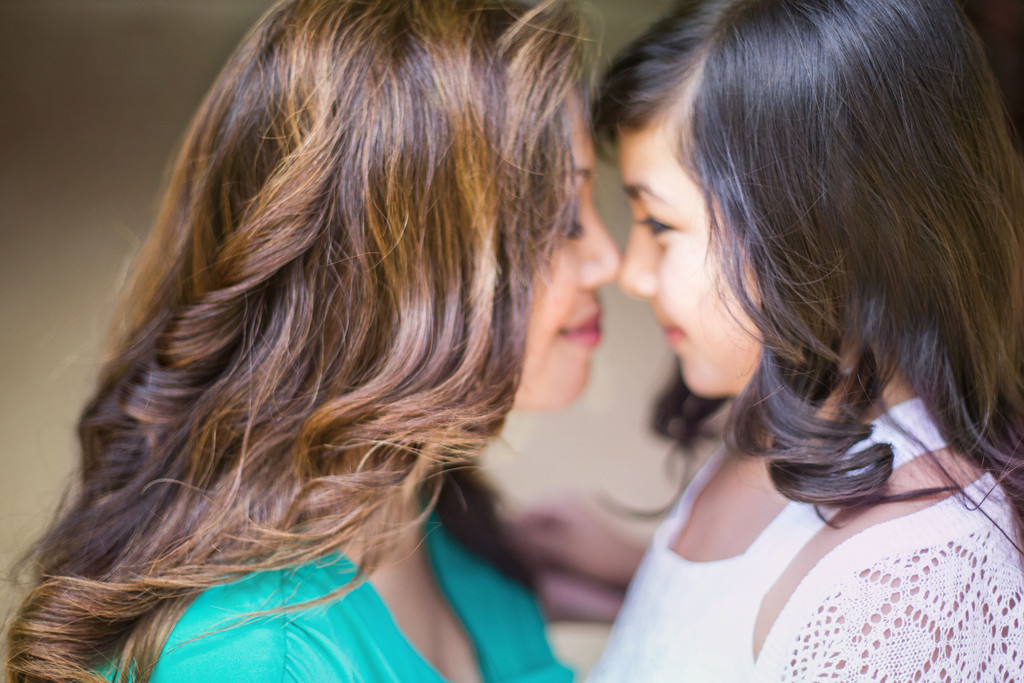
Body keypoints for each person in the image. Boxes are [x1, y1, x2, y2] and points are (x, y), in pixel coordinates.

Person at [4, 1, 621, 681]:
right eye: (562, 216)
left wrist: (653, 577)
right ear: (407, 264)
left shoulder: (438, 512)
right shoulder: (249, 658)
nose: (609, 259)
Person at [516, 0, 1024, 679]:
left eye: (660, 226)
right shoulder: (788, 429)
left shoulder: (913, 586)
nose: (631, 273)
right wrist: (637, 573)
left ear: (819, 235)